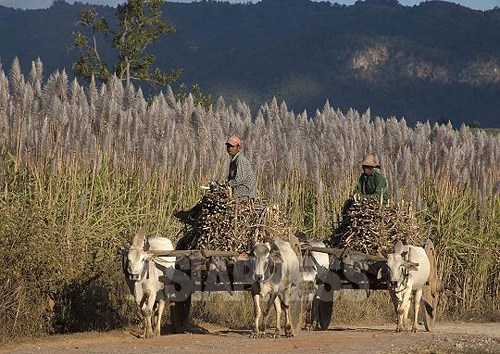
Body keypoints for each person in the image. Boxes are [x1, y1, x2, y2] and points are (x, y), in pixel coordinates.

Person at [226, 135, 257, 200]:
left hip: (246, 194)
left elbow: (240, 178)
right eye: (228, 146)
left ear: (238, 147)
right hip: (241, 193)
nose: (229, 149)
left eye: (232, 146)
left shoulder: (240, 159)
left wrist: (228, 184)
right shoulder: (234, 160)